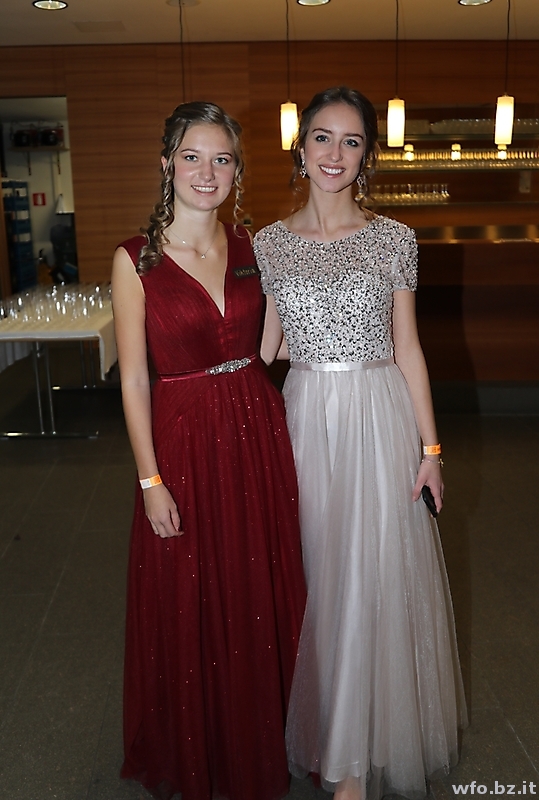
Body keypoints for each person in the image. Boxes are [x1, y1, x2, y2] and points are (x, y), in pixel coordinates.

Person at [253, 86, 467, 800]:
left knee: (370, 580)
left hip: (379, 418)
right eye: (322, 137)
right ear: (301, 148)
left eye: (351, 141)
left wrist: (430, 451)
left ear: (367, 155)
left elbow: (409, 350)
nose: (335, 153)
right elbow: (266, 348)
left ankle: (350, 767)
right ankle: (333, 736)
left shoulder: (393, 238)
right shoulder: (268, 243)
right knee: (320, 579)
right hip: (304, 419)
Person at [111, 101, 306, 800]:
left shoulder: (254, 247)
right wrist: (150, 480)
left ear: (236, 171)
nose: (206, 171)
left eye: (221, 159)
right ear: (167, 164)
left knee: (260, 583)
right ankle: (202, 744)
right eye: (192, 156)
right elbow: (134, 379)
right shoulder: (135, 258)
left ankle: (268, 734)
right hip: (184, 439)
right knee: (189, 589)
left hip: (256, 427)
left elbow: (270, 349)